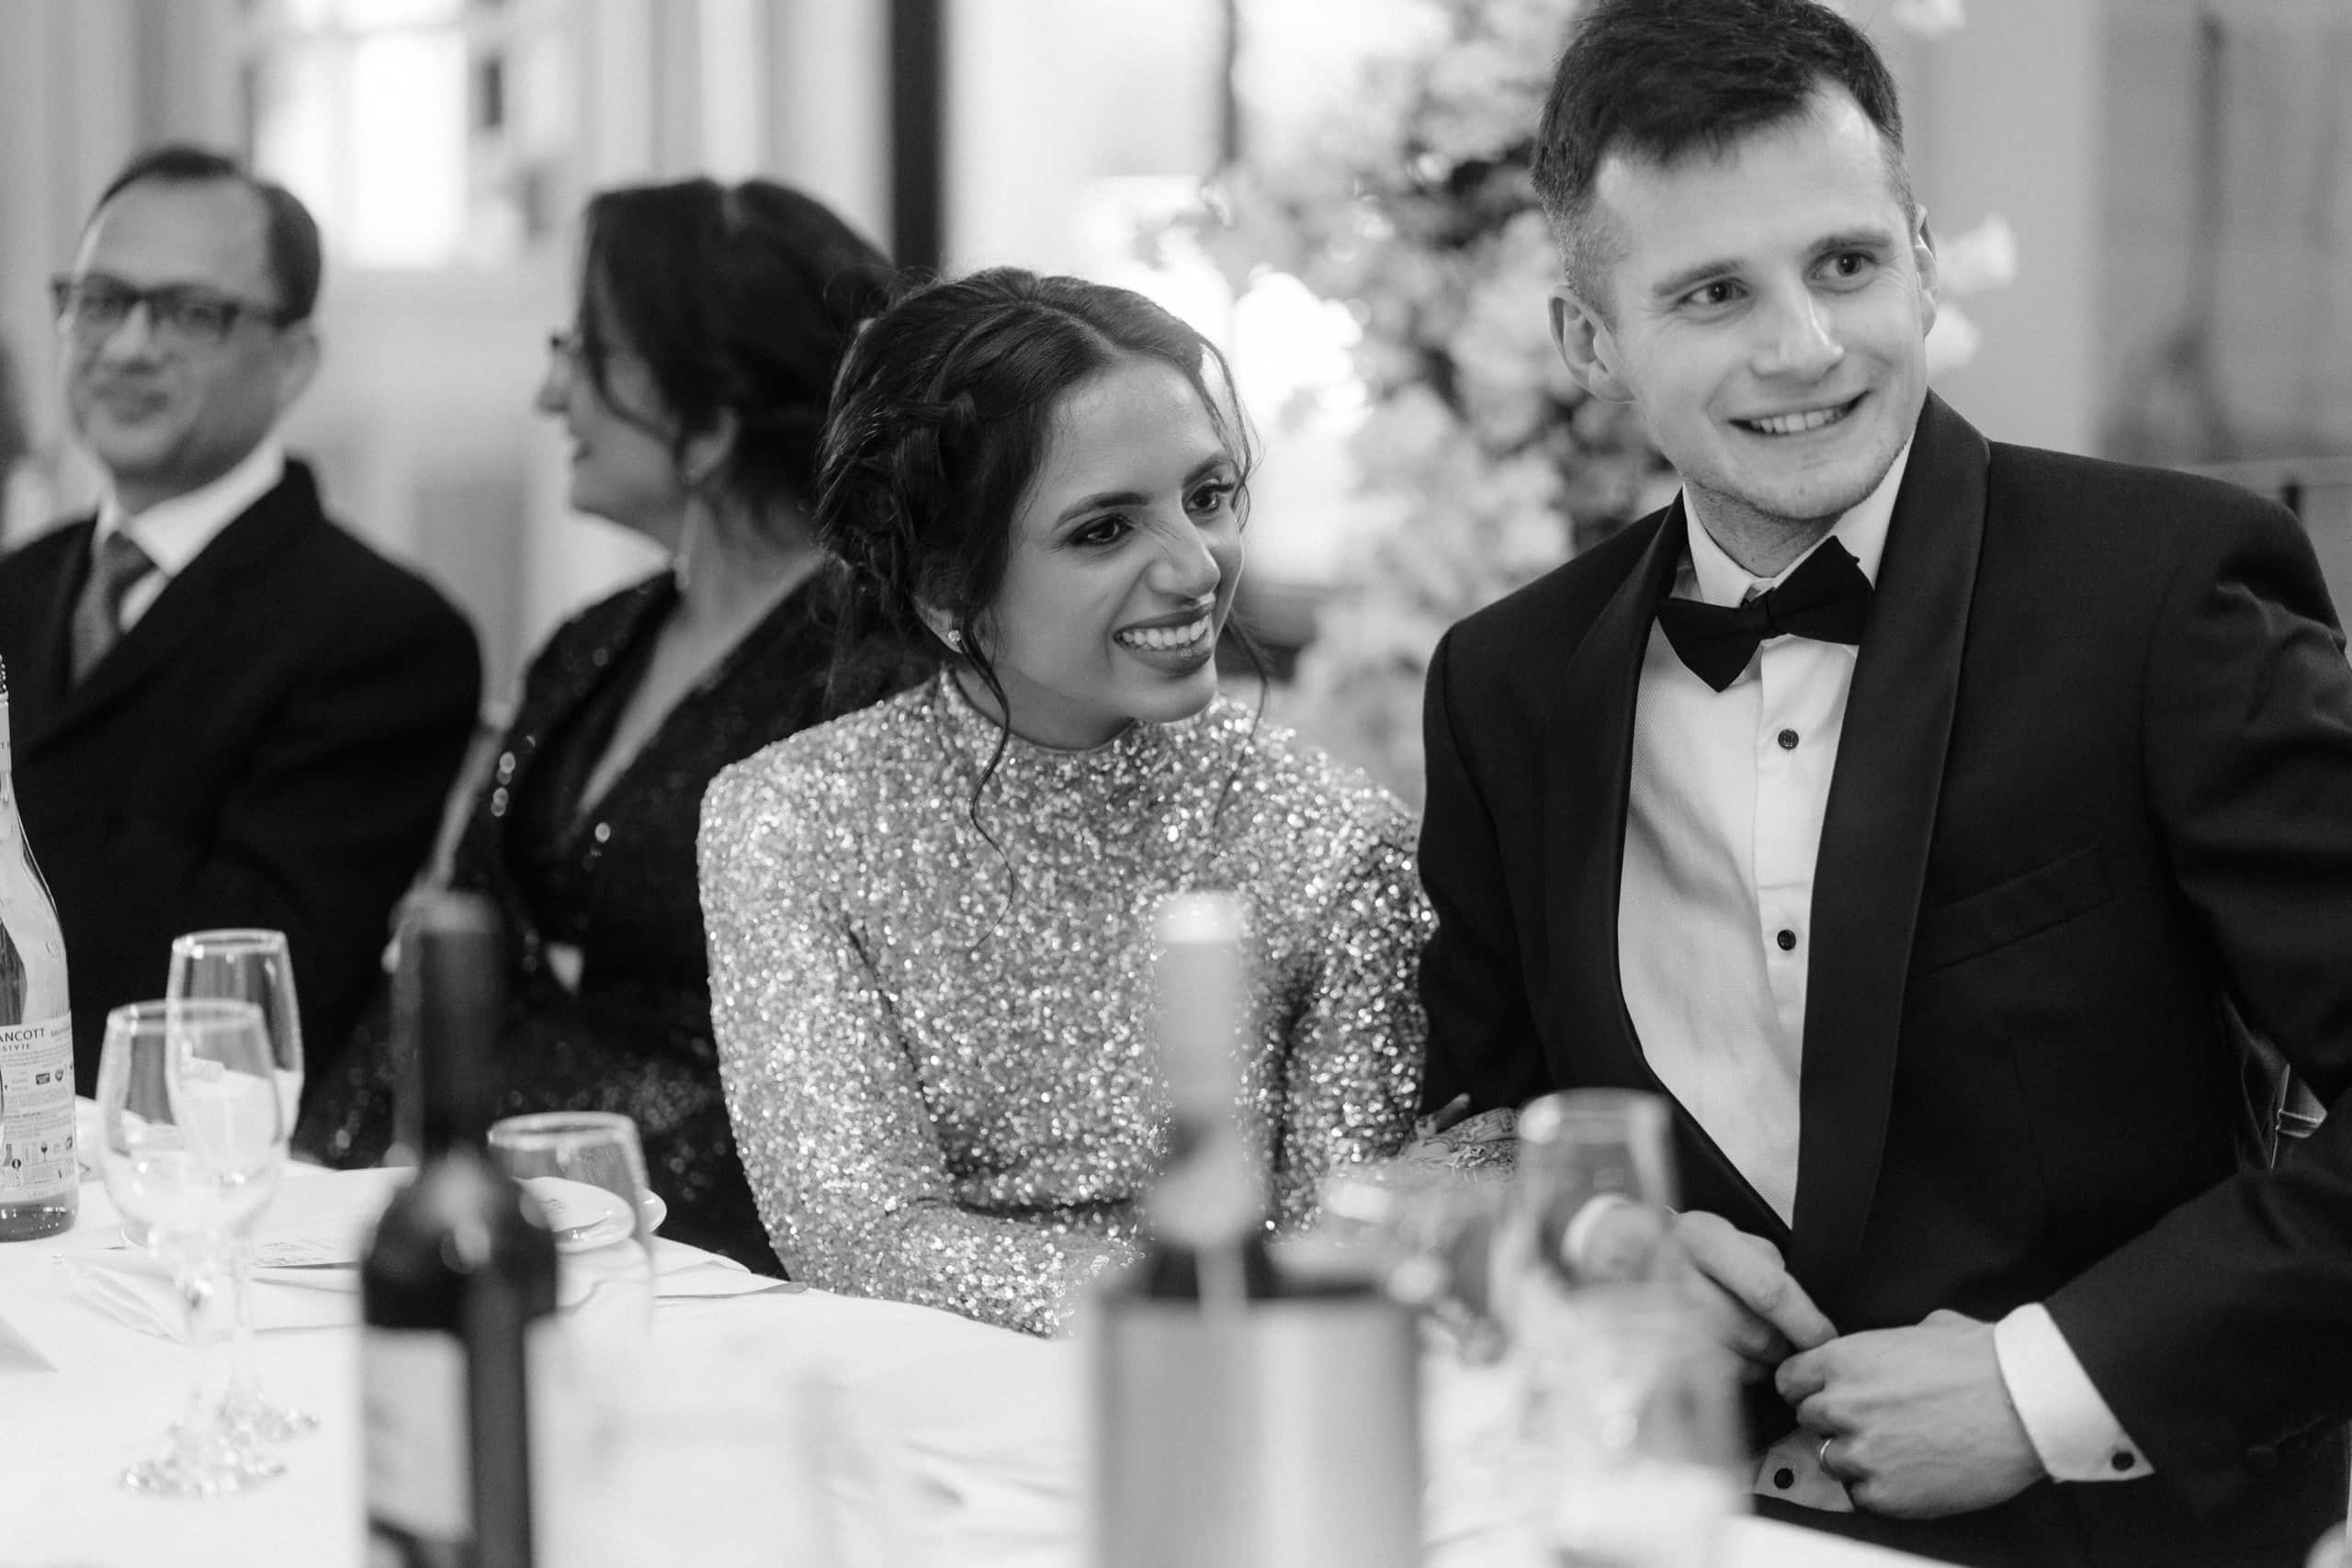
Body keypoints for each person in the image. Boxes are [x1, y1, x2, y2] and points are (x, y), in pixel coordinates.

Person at [1415, 2, 2352, 1562]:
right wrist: (1604, 1234)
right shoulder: (1505, 682)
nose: (1803, 345)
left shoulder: (2164, 593)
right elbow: (1482, 1122)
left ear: (1921, 259)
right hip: (1660, 1522)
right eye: (1713, 291)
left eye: (1845, 263)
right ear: (1589, 341)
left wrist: (2046, 1384)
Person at [698, 268, 1429, 1336]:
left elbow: (1337, 1261)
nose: (1195, 567)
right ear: (947, 589)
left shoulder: (1332, 840)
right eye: (1103, 531)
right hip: (920, 1389)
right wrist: (1175, 1292)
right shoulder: (790, 821)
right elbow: (855, 1233)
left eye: (1208, 496)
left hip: (1233, 1388)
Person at [300, 178, 901, 1273]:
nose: (549, 393)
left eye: (586, 354)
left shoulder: (875, 675)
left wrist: (562, 1199)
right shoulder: (599, 641)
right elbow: (459, 949)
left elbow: (837, 1088)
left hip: (714, 1257)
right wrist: (325, 1178)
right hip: (515, 1214)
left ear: (709, 423)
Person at [0, 144, 481, 1094]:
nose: (128, 348)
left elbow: (244, 998)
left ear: (293, 360)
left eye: (190, 313)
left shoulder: (381, 635)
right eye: (100, 301)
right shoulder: (17, 584)